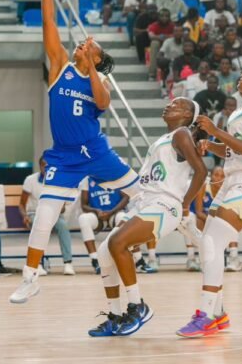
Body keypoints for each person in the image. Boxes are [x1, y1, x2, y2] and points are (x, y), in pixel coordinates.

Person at [9, 0, 139, 304]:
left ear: (96, 57)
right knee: (45, 214)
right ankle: (29, 278)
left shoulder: (100, 82)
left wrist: (95, 67)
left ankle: (155, 234)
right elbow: (48, 20)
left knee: (143, 193)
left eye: (91, 45)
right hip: (65, 157)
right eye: (84, 41)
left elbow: (103, 103)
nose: (84, 41)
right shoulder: (59, 67)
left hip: (96, 151)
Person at [176, 61, 242, 338]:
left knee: (212, 243)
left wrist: (215, 131)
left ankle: (204, 316)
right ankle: (218, 313)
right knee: (208, 245)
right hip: (232, 179)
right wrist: (211, 145)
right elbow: (234, 150)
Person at [88, 98, 207, 337]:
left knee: (117, 243)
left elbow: (201, 171)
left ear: (188, 116)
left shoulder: (182, 133)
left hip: (165, 204)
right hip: (145, 202)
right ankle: (115, 315)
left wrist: (184, 204)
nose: (170, 105)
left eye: (178, 104)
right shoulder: (166, 138)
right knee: (104, 252)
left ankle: (137, 307)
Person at [20, 155, 76, 276]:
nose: (47, 168)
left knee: (63, 226)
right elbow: (21, 204)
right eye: (44, 165)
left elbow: (63, 207)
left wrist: (60, 207)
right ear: (40, 166)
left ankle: (68, 263)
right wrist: (24, 216)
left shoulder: (59, 180)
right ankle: (38, 264)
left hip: (54, 214)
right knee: (39, 224)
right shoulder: (30, 180)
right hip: (34, 213)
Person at [78, 178, 128, 274]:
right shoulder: (87, 180)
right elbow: (83, 205)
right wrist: (96, 211)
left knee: (124, 217)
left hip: (115, 213)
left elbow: (126, 197)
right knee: (83, 218)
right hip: (98, 215)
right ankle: (95, 260)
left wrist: (111, 212)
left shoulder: (115, 175)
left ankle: (138, 260)